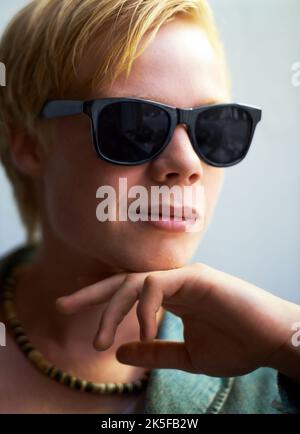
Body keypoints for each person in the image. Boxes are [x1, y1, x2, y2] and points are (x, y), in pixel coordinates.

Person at [0, 0, 299, 414]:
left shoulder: (271, 373)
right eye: (134, 124)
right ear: (28, 144)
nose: (187, 164)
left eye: (213, 128)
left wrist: (289, 340)